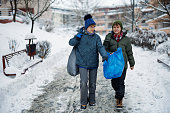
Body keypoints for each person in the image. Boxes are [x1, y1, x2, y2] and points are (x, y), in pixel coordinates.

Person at [69, 14, 108, 109]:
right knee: (83, 83)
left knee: (92, 83)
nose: (93, 29)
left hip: (93, 63)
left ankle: (92, 100)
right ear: (86, 27)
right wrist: (77, 37)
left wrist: (104, 55)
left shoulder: (96, 37)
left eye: (94, 27)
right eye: (91, 27)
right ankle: (83, 101)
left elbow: (100, 47)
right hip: (82, 63)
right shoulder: (80, 36)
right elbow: (71, 43)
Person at [103, 20, 135, 109]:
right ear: (112, 28)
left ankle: (119, 99)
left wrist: (132, 63)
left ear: (121, 28)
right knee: (114, 82)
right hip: (113, 65)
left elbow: (129, 52)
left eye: (118, 27)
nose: (116, 29)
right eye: (114, 27)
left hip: (122, 65)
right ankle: (118, 92)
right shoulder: (108, 37)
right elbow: (104, 49)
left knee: (121, 82)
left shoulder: (126, 39)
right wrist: (109, 53)